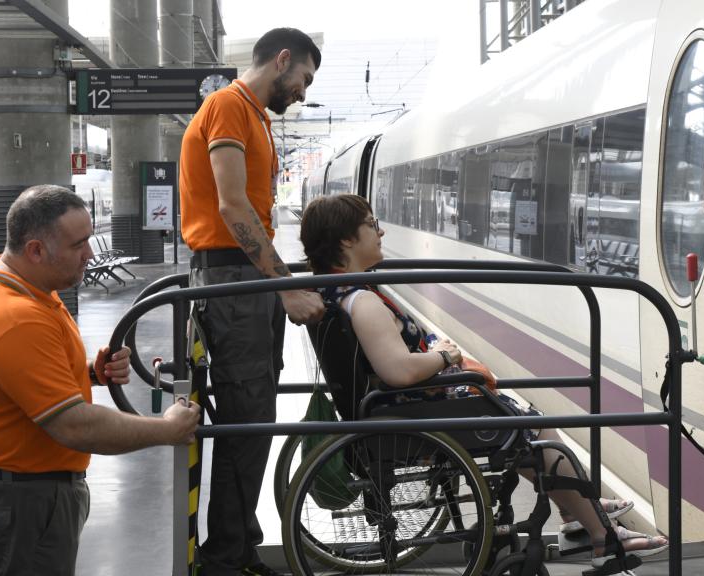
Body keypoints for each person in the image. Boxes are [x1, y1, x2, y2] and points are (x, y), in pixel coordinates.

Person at [299, 194, 668, 567]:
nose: (381, 231)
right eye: (371, 225)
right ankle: (601, 536)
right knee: (534, 433)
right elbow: (399, 371)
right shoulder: (362, 301)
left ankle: (578, 510)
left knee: (529, 422)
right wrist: (446, 356)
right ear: (346, 240)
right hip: (412, 415)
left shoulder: (335, 292)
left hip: (395, 410)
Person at [0, 185, 201, 576]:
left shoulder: (23, 286)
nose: (90, 255)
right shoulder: (15, 317)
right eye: (78, 245)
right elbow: (75, 426)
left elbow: (15, 380)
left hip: (26, 489)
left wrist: (86, 374)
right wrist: (166, 430)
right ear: (35, 250)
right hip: (25, 498)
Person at [178, 27, 325, 576]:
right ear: (281, 60)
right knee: (248, 417)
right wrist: (284, 285)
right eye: (303, 78)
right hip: (233, 282)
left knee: (255, 417)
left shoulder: (255, 116)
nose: (303, 93)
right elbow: (234, 207)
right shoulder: (228, 107)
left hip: (243, 282)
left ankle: (238, 547)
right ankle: (225, 560)